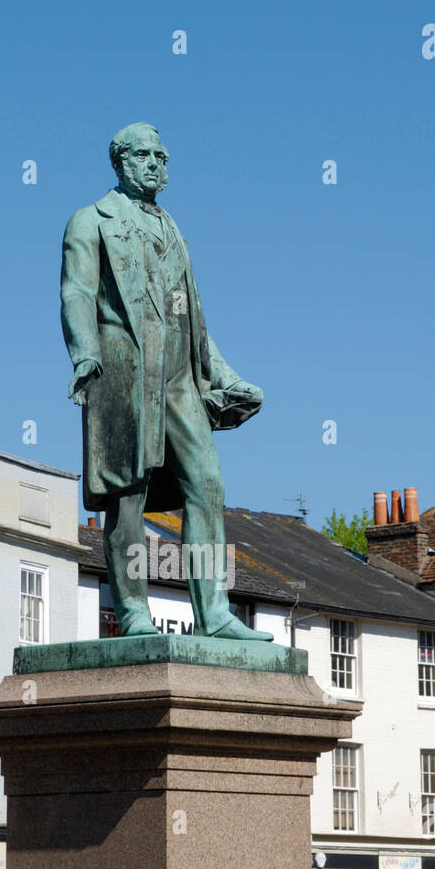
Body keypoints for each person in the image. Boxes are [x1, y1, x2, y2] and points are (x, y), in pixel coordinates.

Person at [61, 122, 273, 641]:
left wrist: (225, 375)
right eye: (144, 155)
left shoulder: (174, 229)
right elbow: (76, 293)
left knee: (206, 484)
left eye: (162, 156)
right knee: (126, 494)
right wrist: (86, 354)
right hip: (123, 369)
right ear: (120, 161)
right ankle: (133, 611)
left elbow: (193, 318)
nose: (156, 164)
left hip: (179, 378)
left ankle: (215, 612)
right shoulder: (90, 221)